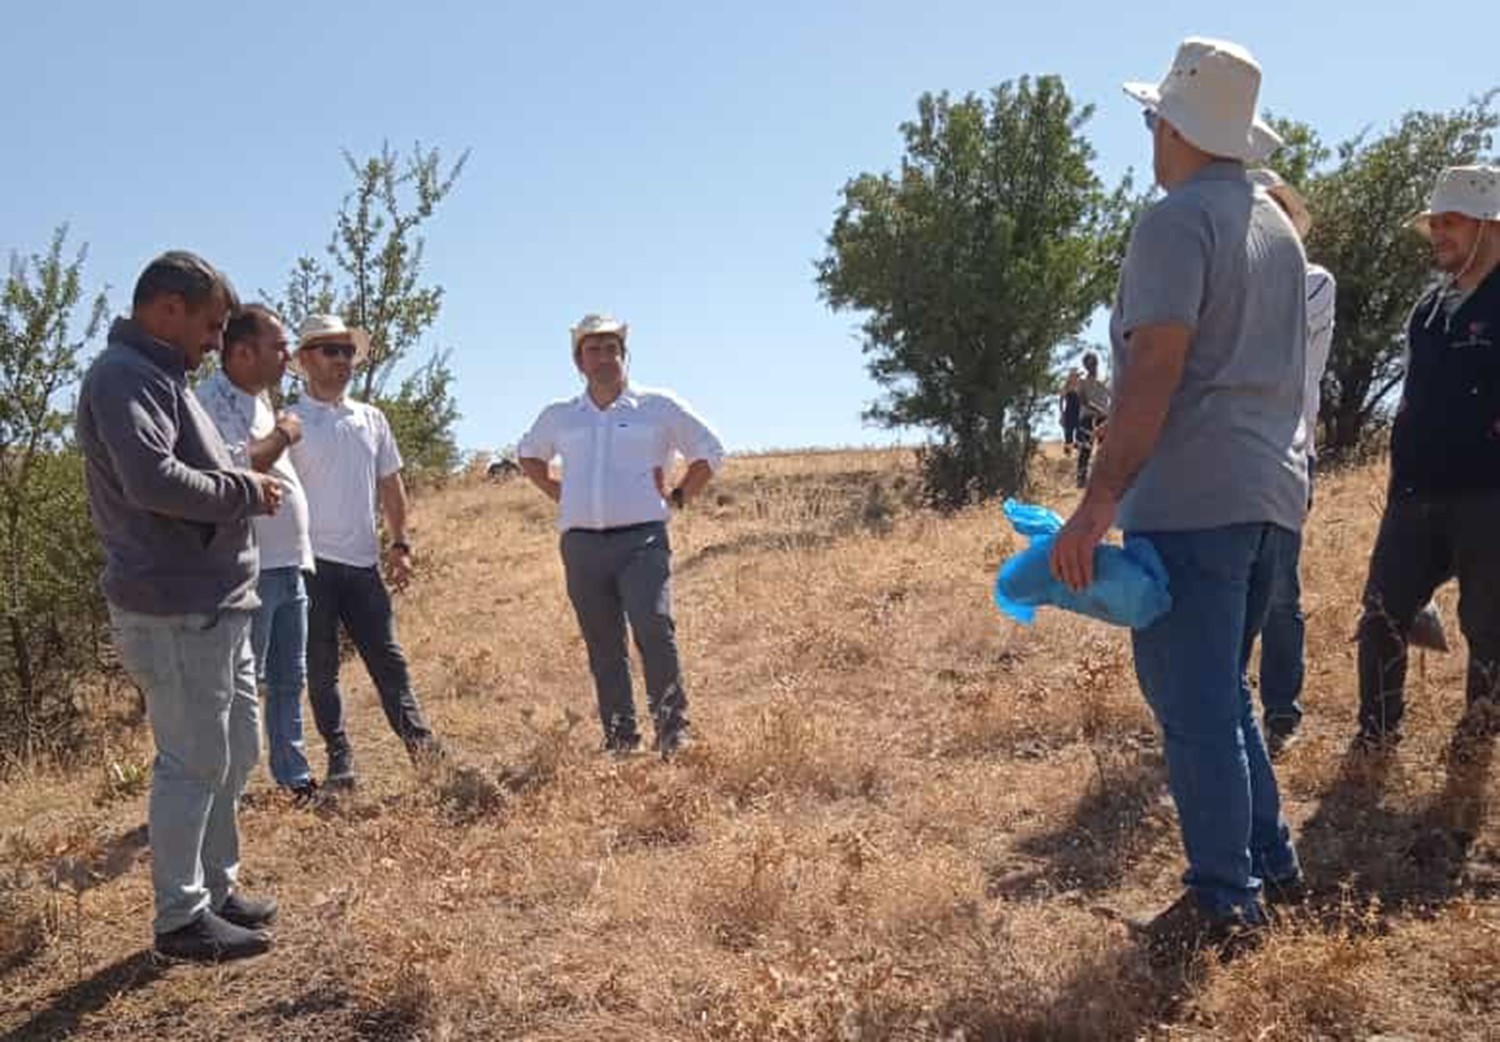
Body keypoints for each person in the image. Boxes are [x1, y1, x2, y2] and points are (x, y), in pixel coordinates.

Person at [1049, 38, 1307, 956]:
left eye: (1154, 117)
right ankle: (1271, 862)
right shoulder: (1276, 224)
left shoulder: (1173, 223)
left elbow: (1154, 368)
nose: (1149, 132)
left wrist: (1094, 505)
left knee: (1194, 706)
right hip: (1272, 496)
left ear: (1177, 125)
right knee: (1227, 699)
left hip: (1193, 500)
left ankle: (1222, 904)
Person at [77, 251, 282, 962]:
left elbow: (187, 465)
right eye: (211, 325)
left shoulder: (160, 376)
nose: (215, 341)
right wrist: (245, 491)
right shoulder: (123, 376)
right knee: (192, 761)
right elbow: (153, 481)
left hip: (215, 600)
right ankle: (180, 921)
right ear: (167, 309)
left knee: (231, 753)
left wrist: (234, 481)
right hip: (175, 604)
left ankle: (216, 891)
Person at [518, 313, 724, 758]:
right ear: (579, 361)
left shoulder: (657, 406)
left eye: (612, 348)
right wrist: (558, 491)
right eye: (594, 349)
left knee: (653, 626)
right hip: (582, 544)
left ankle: (673, 732)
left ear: (624, 355)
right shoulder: (561, 416)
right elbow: (528, 455)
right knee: (603, 642)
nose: (604, 357)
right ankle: (620, 738)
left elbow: (710, 450)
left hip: (642, 541)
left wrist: (682, 496)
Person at [1356, 164, 1500, 747]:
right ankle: (1376, 737)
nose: (1438, 233)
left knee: (1488, 628)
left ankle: (1477, 740)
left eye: (1452, 222)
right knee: (1381, 616)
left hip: (1489, 494)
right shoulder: (1429, 307)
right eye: (1435, 222)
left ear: (1489, 226)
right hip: (1414, 493)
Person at [288, 314, 442, 787]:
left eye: (347, 351)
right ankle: (340, 758)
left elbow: (391, 486)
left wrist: (400, 544)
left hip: (362, 564)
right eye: (330, 351)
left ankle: (422, 747)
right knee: (321, 666)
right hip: (309, 565)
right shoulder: (288, 422)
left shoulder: (371, 418)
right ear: (305, 360)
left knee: (388, 658)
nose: (342, 361)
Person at [198, 305, 319, 800]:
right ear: (243, 352)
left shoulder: (263, 399)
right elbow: (235, 468)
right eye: (279, 346)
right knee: (240, 685)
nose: (288, 355)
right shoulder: (210, 401)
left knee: (291, 676)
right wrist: (285, 434)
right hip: (249, 569)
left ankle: (292, 776)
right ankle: (229, 785)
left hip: (290, 562)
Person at [1248, 168, 1337, 757]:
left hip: (1284, 455)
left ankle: (1281, 711)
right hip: (1227, 459)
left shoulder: (1312, 281)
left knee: (1279, 591)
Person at [1075, 352, 1112, 488]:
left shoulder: (1104, 380)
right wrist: (1099, 409)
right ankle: (1081, 480)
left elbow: (1113, 396)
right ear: (1085, 365)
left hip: (1104, 418)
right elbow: (1082, 400)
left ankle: (1104, 480)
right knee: (1086, 449)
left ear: (1097, 363)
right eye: (1088, 363)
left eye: (1093, 362)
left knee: (1105, 449)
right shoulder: (1082, 381)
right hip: (1088, 418)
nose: (1091, 365)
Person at [1060, 370, 1083, 455]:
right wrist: (1062, 414)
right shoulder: (1066, 387)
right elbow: (1061, 401)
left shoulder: (1080, 387)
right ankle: (1067, 454)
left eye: (1077, 376)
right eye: (1075, 376)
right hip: (1069, 413)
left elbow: (1083, 400)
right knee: (1068, 434)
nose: (1077, 378)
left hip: (1078, 413)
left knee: (1080, 433)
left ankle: (1078, 453)